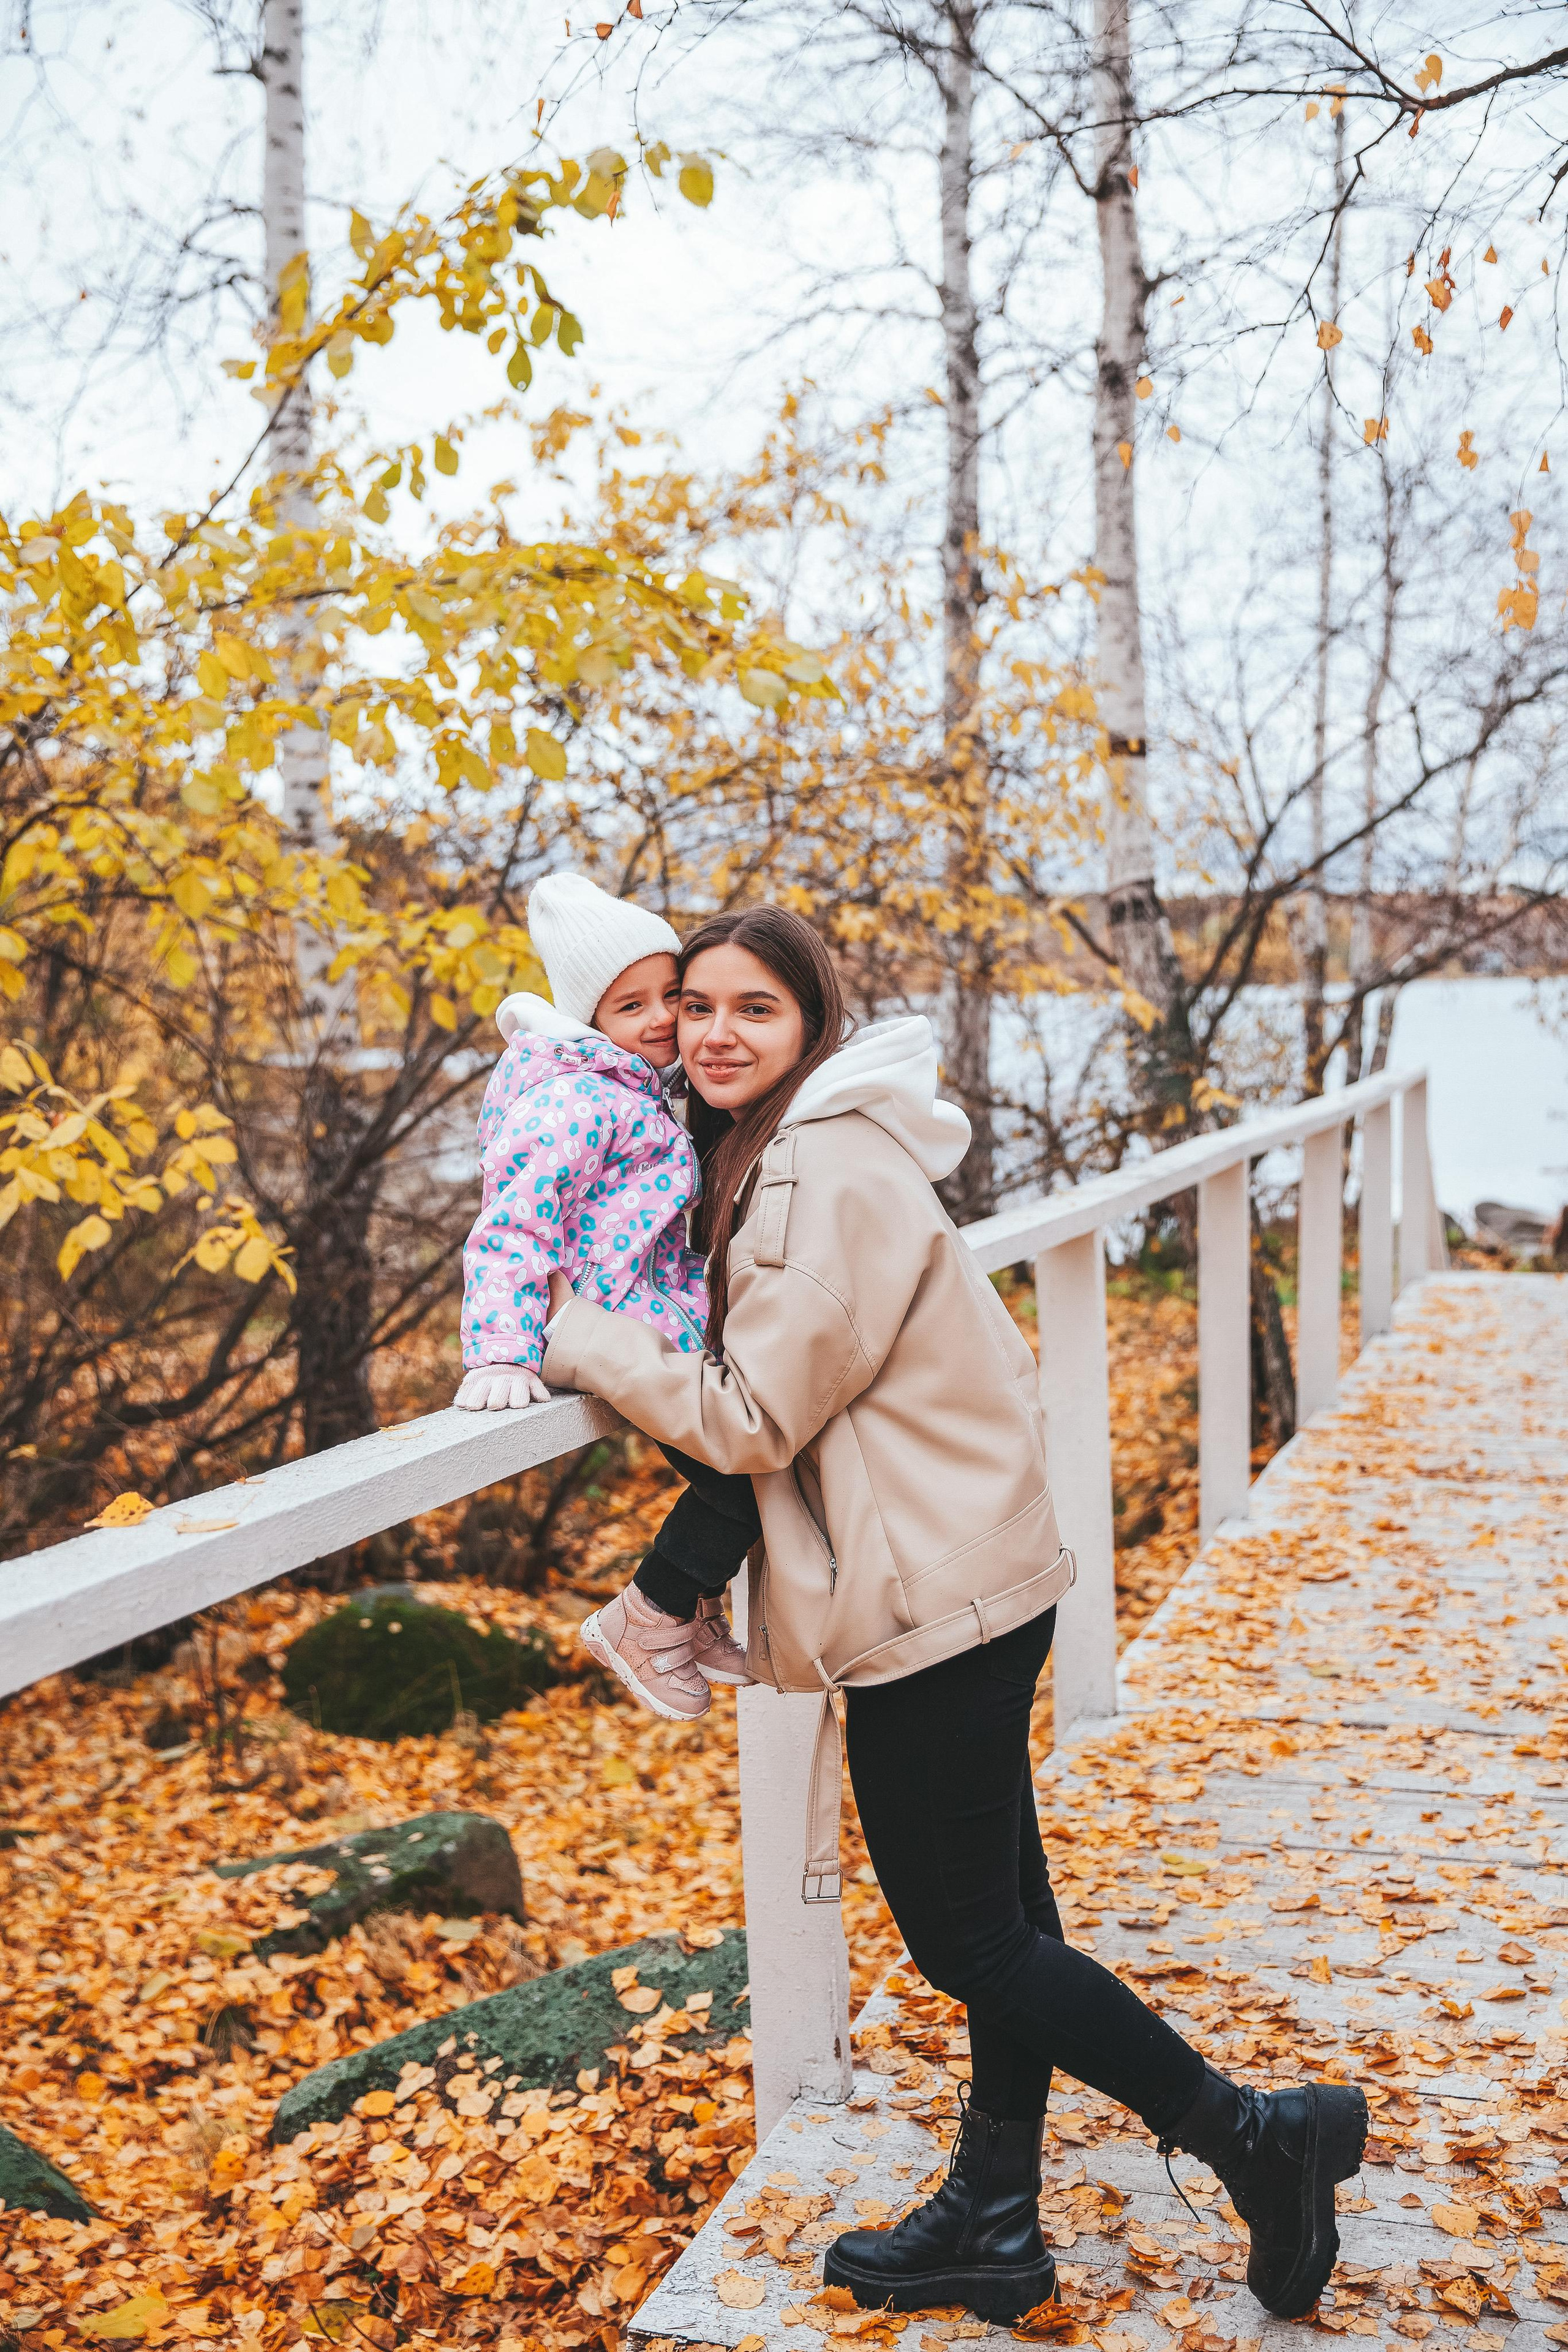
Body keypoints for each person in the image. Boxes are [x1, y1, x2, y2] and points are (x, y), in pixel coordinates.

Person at [541, 904, 1368, 2327]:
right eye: (696, 1009)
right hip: (966, 1571)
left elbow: (748, 1416)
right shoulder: (800, 1149)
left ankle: (1253, 2139)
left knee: (970, 1947)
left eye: (756, 1011)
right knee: (1013, 1923)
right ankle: (993, 2219)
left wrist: (578, 1333)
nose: (714, 1034)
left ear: (811, 1030)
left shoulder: (814, 1172)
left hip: (929, 1600)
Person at [454, 872, 760, 1716]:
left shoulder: (632, 1091)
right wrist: (502, 1351)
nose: (661, 1017)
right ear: (592, 1020)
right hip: (599, 1339)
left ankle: (690, 1613)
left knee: (741, 1478)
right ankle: (651, 1614)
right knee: (739, 1482)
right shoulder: (574, 1102)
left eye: (672, 993)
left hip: (644, 1337)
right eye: (633, 1006)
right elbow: (511, 1229)